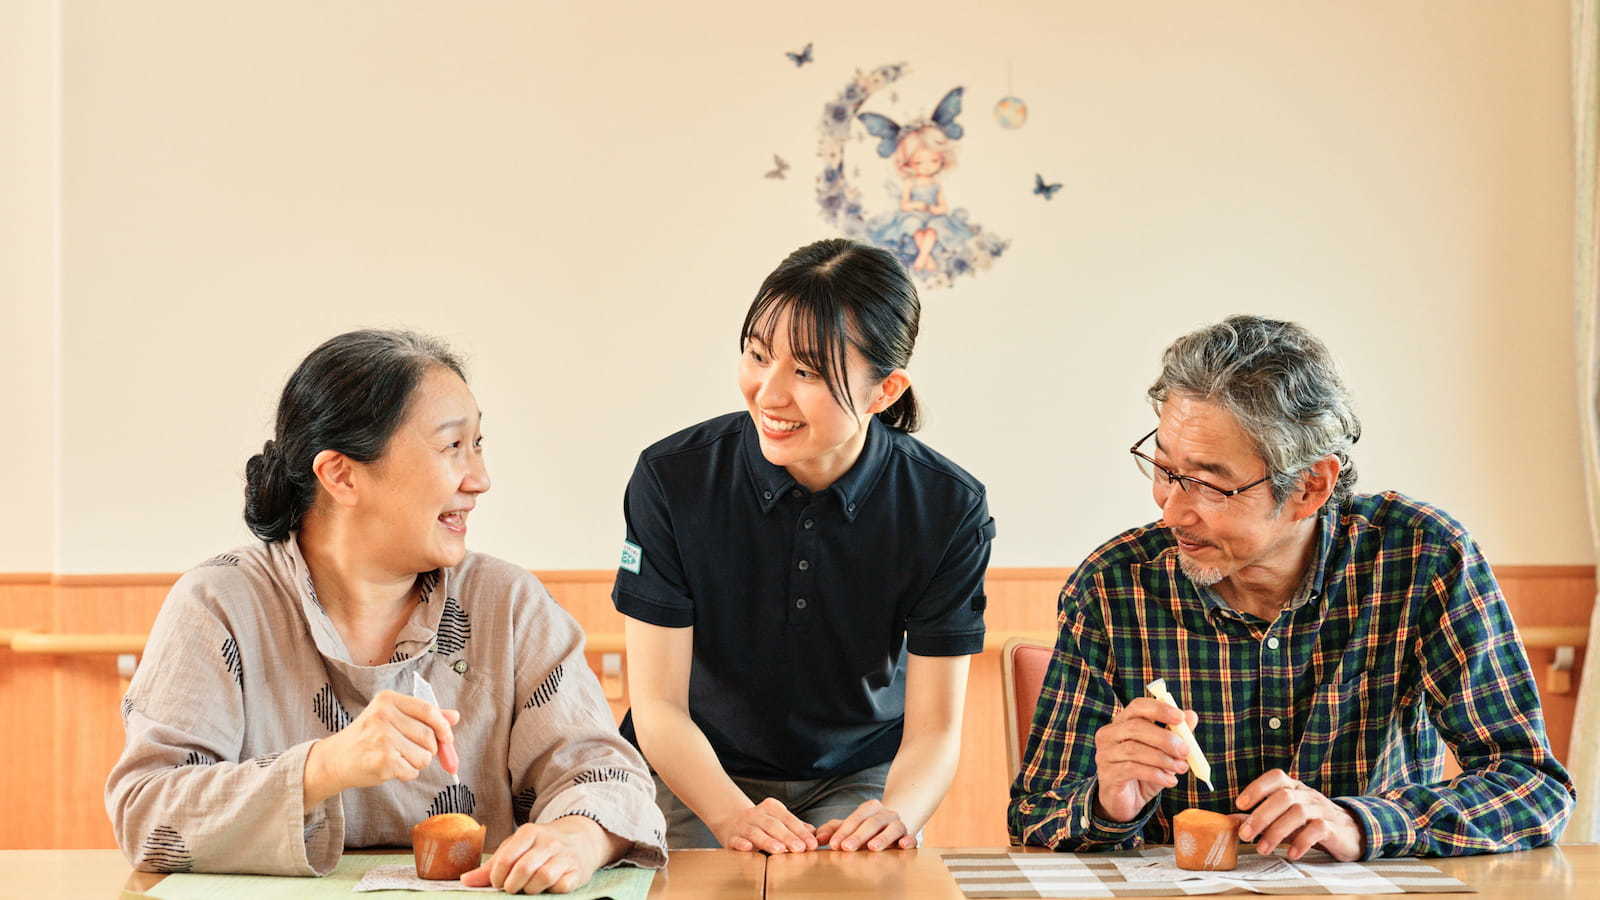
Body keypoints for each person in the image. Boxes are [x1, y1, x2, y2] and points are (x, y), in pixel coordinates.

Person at [106, 330, 666, 894]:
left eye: (479, 444)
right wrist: (324, 768)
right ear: (342, 475)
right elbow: (146, 811)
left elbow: (611, 778)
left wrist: (579, 835)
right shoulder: (220, 603)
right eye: (452, 447)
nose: (480, 479)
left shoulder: (509, 604)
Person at [1009, 315, 1575, 859]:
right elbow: (1036, 815)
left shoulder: (1421, 559)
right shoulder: (1115, 587)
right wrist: (1109, 804)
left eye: (1207, 484)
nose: (1172, 510)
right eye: (1164, 470)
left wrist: (1360, 822)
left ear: (1309, 486)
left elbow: (1531, 786)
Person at [615, 238, 995, 854]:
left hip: (856, 778)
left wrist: (897, 814)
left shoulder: (947, 508)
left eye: (808, 372)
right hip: (692, 771)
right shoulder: (672, 479)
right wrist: (733, 817)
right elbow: (657, 706)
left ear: (884, 392)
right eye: (758, 356)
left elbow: (934, 731)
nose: (769, 393)